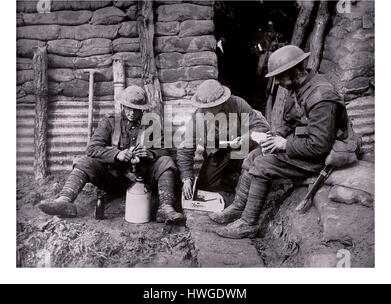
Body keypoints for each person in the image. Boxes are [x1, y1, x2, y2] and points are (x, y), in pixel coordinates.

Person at [210, 45, 350, 239]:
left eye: (279, 77)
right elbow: (290, 123)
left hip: (322, 156)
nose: (277, 82)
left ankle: (248, 223)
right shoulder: (298, 89)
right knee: (252, 157)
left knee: (262, 164)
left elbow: (319, 146)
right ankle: (237, 208)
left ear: (293, 72)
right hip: (302, 145)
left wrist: (283, 144)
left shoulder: (321, 97)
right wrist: (273, 137)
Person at [38, 85, 185, 224]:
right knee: (85, 161)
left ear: (143, 110)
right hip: (113, 179)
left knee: (166, 161)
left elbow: (165, 151)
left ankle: (165, 209)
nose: (132, 112)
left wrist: (150, 153)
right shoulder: (109, 122)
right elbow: (92, 149)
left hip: (143, 182)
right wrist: (116, 154)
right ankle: (65, 201)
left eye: (136, 109)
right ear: (122, 106)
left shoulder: (153, 125)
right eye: (129, 108)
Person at [177, 79, 270, 199]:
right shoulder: (198, 117)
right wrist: (186, 178)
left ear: (222, 102)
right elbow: (185, 149)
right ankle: (230, 189)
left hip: (244, 150)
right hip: (219, 155)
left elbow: (260, 127)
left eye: (211, 107)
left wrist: (245, 139)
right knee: (205, 189)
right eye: (204, 108)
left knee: (253, 179)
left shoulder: (238, 104)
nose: (207, 111)